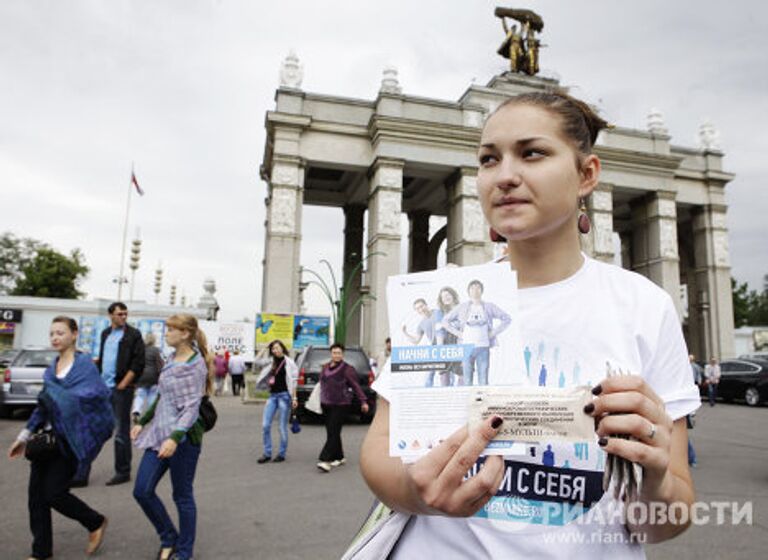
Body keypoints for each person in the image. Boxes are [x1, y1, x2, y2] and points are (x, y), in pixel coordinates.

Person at [361, 91, 701, 556]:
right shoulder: (443, 297)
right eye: (488, 159)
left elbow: (667, 518)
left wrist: (656, 473)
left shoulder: (644, 306)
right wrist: (416, 492)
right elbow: (379, 450)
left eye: (531, 153)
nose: (504, 176)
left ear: (587, 174)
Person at [7, 316, 112, 559]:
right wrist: (23, 436)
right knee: (36, 499)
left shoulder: (85, 366)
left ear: (74, 335)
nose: (55, 337)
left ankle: (95, 522)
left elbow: (97, 400)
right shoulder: (50, 371)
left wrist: (66, 403)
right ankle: (41, 552)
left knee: (54, 493)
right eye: (52, 333)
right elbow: (43, 406)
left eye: (60, 333)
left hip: (71, 441)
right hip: (47, 440)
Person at [131, 313, 212, 560]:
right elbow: (162, 395)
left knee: (182, 496)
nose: (166, 333)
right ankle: (168, 536)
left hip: (183, 441)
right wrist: (142, 422)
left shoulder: (195, 365)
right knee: (142, 491)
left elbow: (191, 407)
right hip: (158, 436)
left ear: (185, 333)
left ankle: (183, 552)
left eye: (170, 329)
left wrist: (175, 438)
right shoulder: (169, 358)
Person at [95, 301, 145, 486]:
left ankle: (123, 471)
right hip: (103, 388)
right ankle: (80, 472)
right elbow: (103, 358)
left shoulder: (133, 334)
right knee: (96, 428)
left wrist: (123, 384)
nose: (124, 317)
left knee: (121, 432)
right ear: (111, 315)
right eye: (120, 314)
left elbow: (138, 362)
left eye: (125, 314)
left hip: (121, 390)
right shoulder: (105, 334)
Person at [442, 279, 511, 385]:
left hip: (483, 348)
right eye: (472, 288)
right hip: (466, 348)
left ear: (482, 290)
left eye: (478, 287)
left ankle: (483, 401)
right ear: (468, 291)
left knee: (483, 380)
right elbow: (445, 321)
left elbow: (507, 319)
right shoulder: (462, 307)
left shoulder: (489, 306)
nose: (475, 290)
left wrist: (493, 332)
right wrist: (458, 333)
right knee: (467, 380)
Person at [317, 343, 369, 472]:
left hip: (341, 404)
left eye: (339, 353)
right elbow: (322, 383)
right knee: (332, 431)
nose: (336, 355)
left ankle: (325, 459)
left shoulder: (347, 369)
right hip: (326, 403)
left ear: (343, 354)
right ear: (331, 354)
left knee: (334, 430)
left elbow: (356, 386)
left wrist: (363, 401)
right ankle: (339, 457)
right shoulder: (325, 367)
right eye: (334, 353)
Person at [254, 340, 298, 463]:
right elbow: (256, 362)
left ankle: (281, 453)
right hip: (273, 396)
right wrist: (264, 347)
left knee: (281, 427)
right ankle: (267, 453)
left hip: (284, 396)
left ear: (282, 348)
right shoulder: (270, 361)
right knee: (265, 425)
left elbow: (294, 382)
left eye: (277, 348)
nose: (275, 350)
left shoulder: (290, 363)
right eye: (273, 348)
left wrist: (294, 398)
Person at [132, 332, 164, 424]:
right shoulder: (156, 350)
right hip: (153, 377)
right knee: (152, 395)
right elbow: (160, 364)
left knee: (140, 395)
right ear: (154, 340)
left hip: (141, 377)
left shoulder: (141, 350)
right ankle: (152, 414)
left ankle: (136, 411)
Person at [434, 286, 462, 386]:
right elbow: (439, 329)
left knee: (462, 372)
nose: (445, 298)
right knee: (444, 373)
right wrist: (440, 348)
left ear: (453, 295)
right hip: (443, 342)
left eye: (447, 295)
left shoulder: (461, 308)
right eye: (443, 297)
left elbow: (464, 325)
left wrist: (447, 325)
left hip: (459, 341)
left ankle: (460, 396)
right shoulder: (439, 312)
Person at [687, 355, 703, 466]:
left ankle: (692, 459)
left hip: (691, 388)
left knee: (682, 437)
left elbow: (699, 375)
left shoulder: (694, 367)